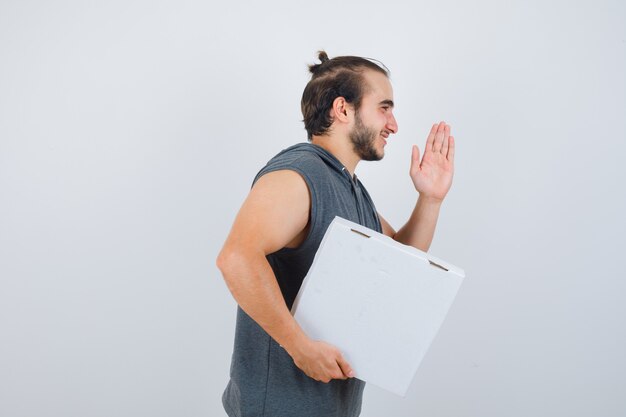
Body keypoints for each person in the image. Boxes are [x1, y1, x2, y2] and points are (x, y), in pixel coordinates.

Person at [217, 50, 455, 417]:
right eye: (384, 108)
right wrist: (299, 347)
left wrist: (430, 199)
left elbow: (399, 264)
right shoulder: (297, 175)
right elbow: (236, 258)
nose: (393, 125)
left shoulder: (350, 189)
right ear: (342, 109)